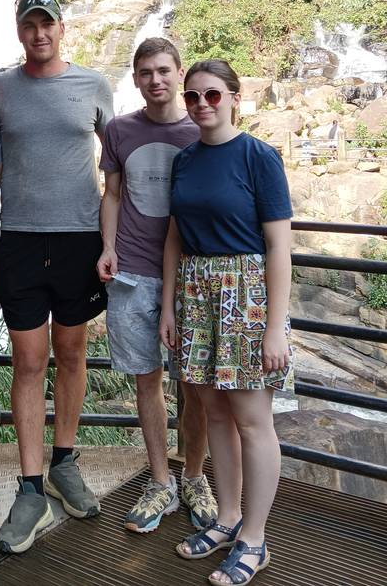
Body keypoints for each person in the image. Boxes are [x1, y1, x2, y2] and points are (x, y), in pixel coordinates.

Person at [160, 59, 293, 586]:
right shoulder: (186, 159)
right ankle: (228, 518)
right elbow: (174, 236)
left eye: (212, 95)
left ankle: (255, 540)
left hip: (246, 294)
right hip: (196, 292)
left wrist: (275, 325)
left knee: (253, 420)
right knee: (213, 413)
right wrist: (169, 306)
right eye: (192, 98)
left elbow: (280, 245)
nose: (201, 106)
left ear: (235, 97)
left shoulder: (259, 156)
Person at [0, 0, 114, 554]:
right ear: (19, 32)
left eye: (47, 24)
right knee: (28, 361)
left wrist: (118, 240)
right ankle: (31, 486)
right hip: (17, 238)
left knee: (71, 354)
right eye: (29, 26)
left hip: (79, 241)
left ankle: (65, 462)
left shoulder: (94, 85)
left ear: (62, 28)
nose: (38, 34)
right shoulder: (1, 88)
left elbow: (118, 161)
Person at [97, 38, 217, 534]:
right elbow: (113, 194)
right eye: (145, 72)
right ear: (135, 77)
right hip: (133, 270)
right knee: (146, 378)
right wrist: (107, 247)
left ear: (179, 72)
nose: (155, 80)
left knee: (195, 383)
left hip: (193, 273)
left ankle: (194, 475)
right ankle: (160, 479)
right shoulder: (120, 130)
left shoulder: (204, 128)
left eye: (164, 70)